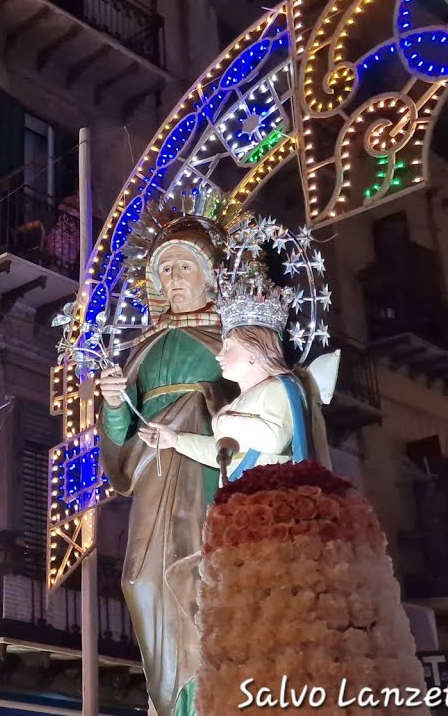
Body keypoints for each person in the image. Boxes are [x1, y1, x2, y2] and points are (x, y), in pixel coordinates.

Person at [97, 216, 231, 716]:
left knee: (202, 575)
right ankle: (170, 695)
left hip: (208, 470)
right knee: (141, 578)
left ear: (209, 276)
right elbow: (118, 436)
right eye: (165, 269)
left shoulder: (232, 339)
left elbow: (255, 409)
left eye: (183, 267)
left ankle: (205, 694)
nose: (173, 278)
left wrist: (199, 413)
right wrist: (114, 402)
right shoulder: (146, 348)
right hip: (154, 467)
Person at [139, 323, 331, 479]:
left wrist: (224, 421)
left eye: (228, 347)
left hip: (270, 493)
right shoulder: (239, 401)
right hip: (240, 495)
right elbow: (225, 455)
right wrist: (176, 440)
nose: (219, 355)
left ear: (254, 354)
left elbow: (273, 439)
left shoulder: (277, 388)